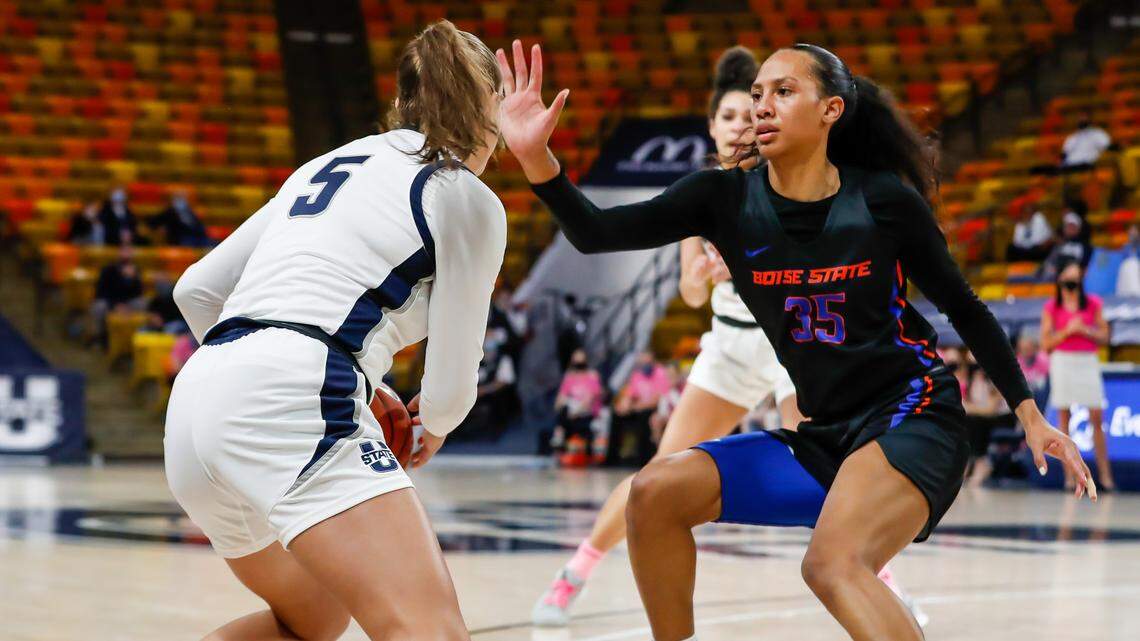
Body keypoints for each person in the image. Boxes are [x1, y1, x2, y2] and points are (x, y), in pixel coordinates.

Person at [499, 40, 1094, 641]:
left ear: (831, 109)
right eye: (758, 93)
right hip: (825, 436)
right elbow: (596, 231)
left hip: (914, 419)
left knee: (831, 564)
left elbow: (964, 307)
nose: (763, 106)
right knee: (654, 493)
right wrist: (536, 158)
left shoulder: (881, 200)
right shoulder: (724, 197)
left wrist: (1029, 413)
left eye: (783, 92)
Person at [532, 46, 922, 627]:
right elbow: (690, 293)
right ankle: (578, 571)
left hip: (794, 348)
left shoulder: (794, 179)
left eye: (751, 112)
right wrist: (703, 271)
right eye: (731, 116)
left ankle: (877, 578)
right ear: (713, 127)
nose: (744, 122)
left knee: (831, 467)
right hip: (732, 346)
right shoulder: (706, 193)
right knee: (658, 478)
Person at [164, 20, 506, 641]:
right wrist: (432, 425)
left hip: (194, 404)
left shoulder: (329, 162)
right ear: (487, 113)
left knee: (313, 621)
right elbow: (451, 389)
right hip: (297, 390)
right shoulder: (466, 195)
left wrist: (264, 372)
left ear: (403, 101)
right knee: (432, 630)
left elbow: (196, 289)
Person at [1041, 260, 1114, 491]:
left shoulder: (1093, 303)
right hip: (1062, 361)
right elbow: (1046, 343)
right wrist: (1067, 331)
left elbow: (1105, 336)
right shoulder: (1052, 307)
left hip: (1087, 361)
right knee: (1064, 421)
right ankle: (1070, 478)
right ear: (1060, 279)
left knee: (1096, 418)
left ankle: (1104, 475)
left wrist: (1085, 330)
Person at [609, 350, 671, 465]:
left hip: (654, 409)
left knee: (645, 415)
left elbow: (657, 399)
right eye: (642, 359)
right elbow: (630, 394)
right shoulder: (637, 374)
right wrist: (624, 405)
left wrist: (635, 406)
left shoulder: (661, 373)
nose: (644, 362)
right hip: (637, 408)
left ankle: (643, 459)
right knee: (616, 414)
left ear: (653, 359)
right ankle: (612, 458)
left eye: (647, 359)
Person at [551, 348, 605, 456]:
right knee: (564, 410)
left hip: (586, 410)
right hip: (571, 410)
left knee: (567, 415)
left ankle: (560, 435)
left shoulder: (591, 375)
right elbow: (562, 395)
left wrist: (577, 411)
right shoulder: (569, 376)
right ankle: (559, 437)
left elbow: (593, 396)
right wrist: (558, 405)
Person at [1042, 211, 1093, 278]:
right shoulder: (1058, 245)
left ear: (1079, 229)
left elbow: (1086, 268)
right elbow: (1049, 264)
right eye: (1068, 226)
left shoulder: (1086, 247)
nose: (1070, 229)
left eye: (1073, 227)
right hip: (1052, 277)